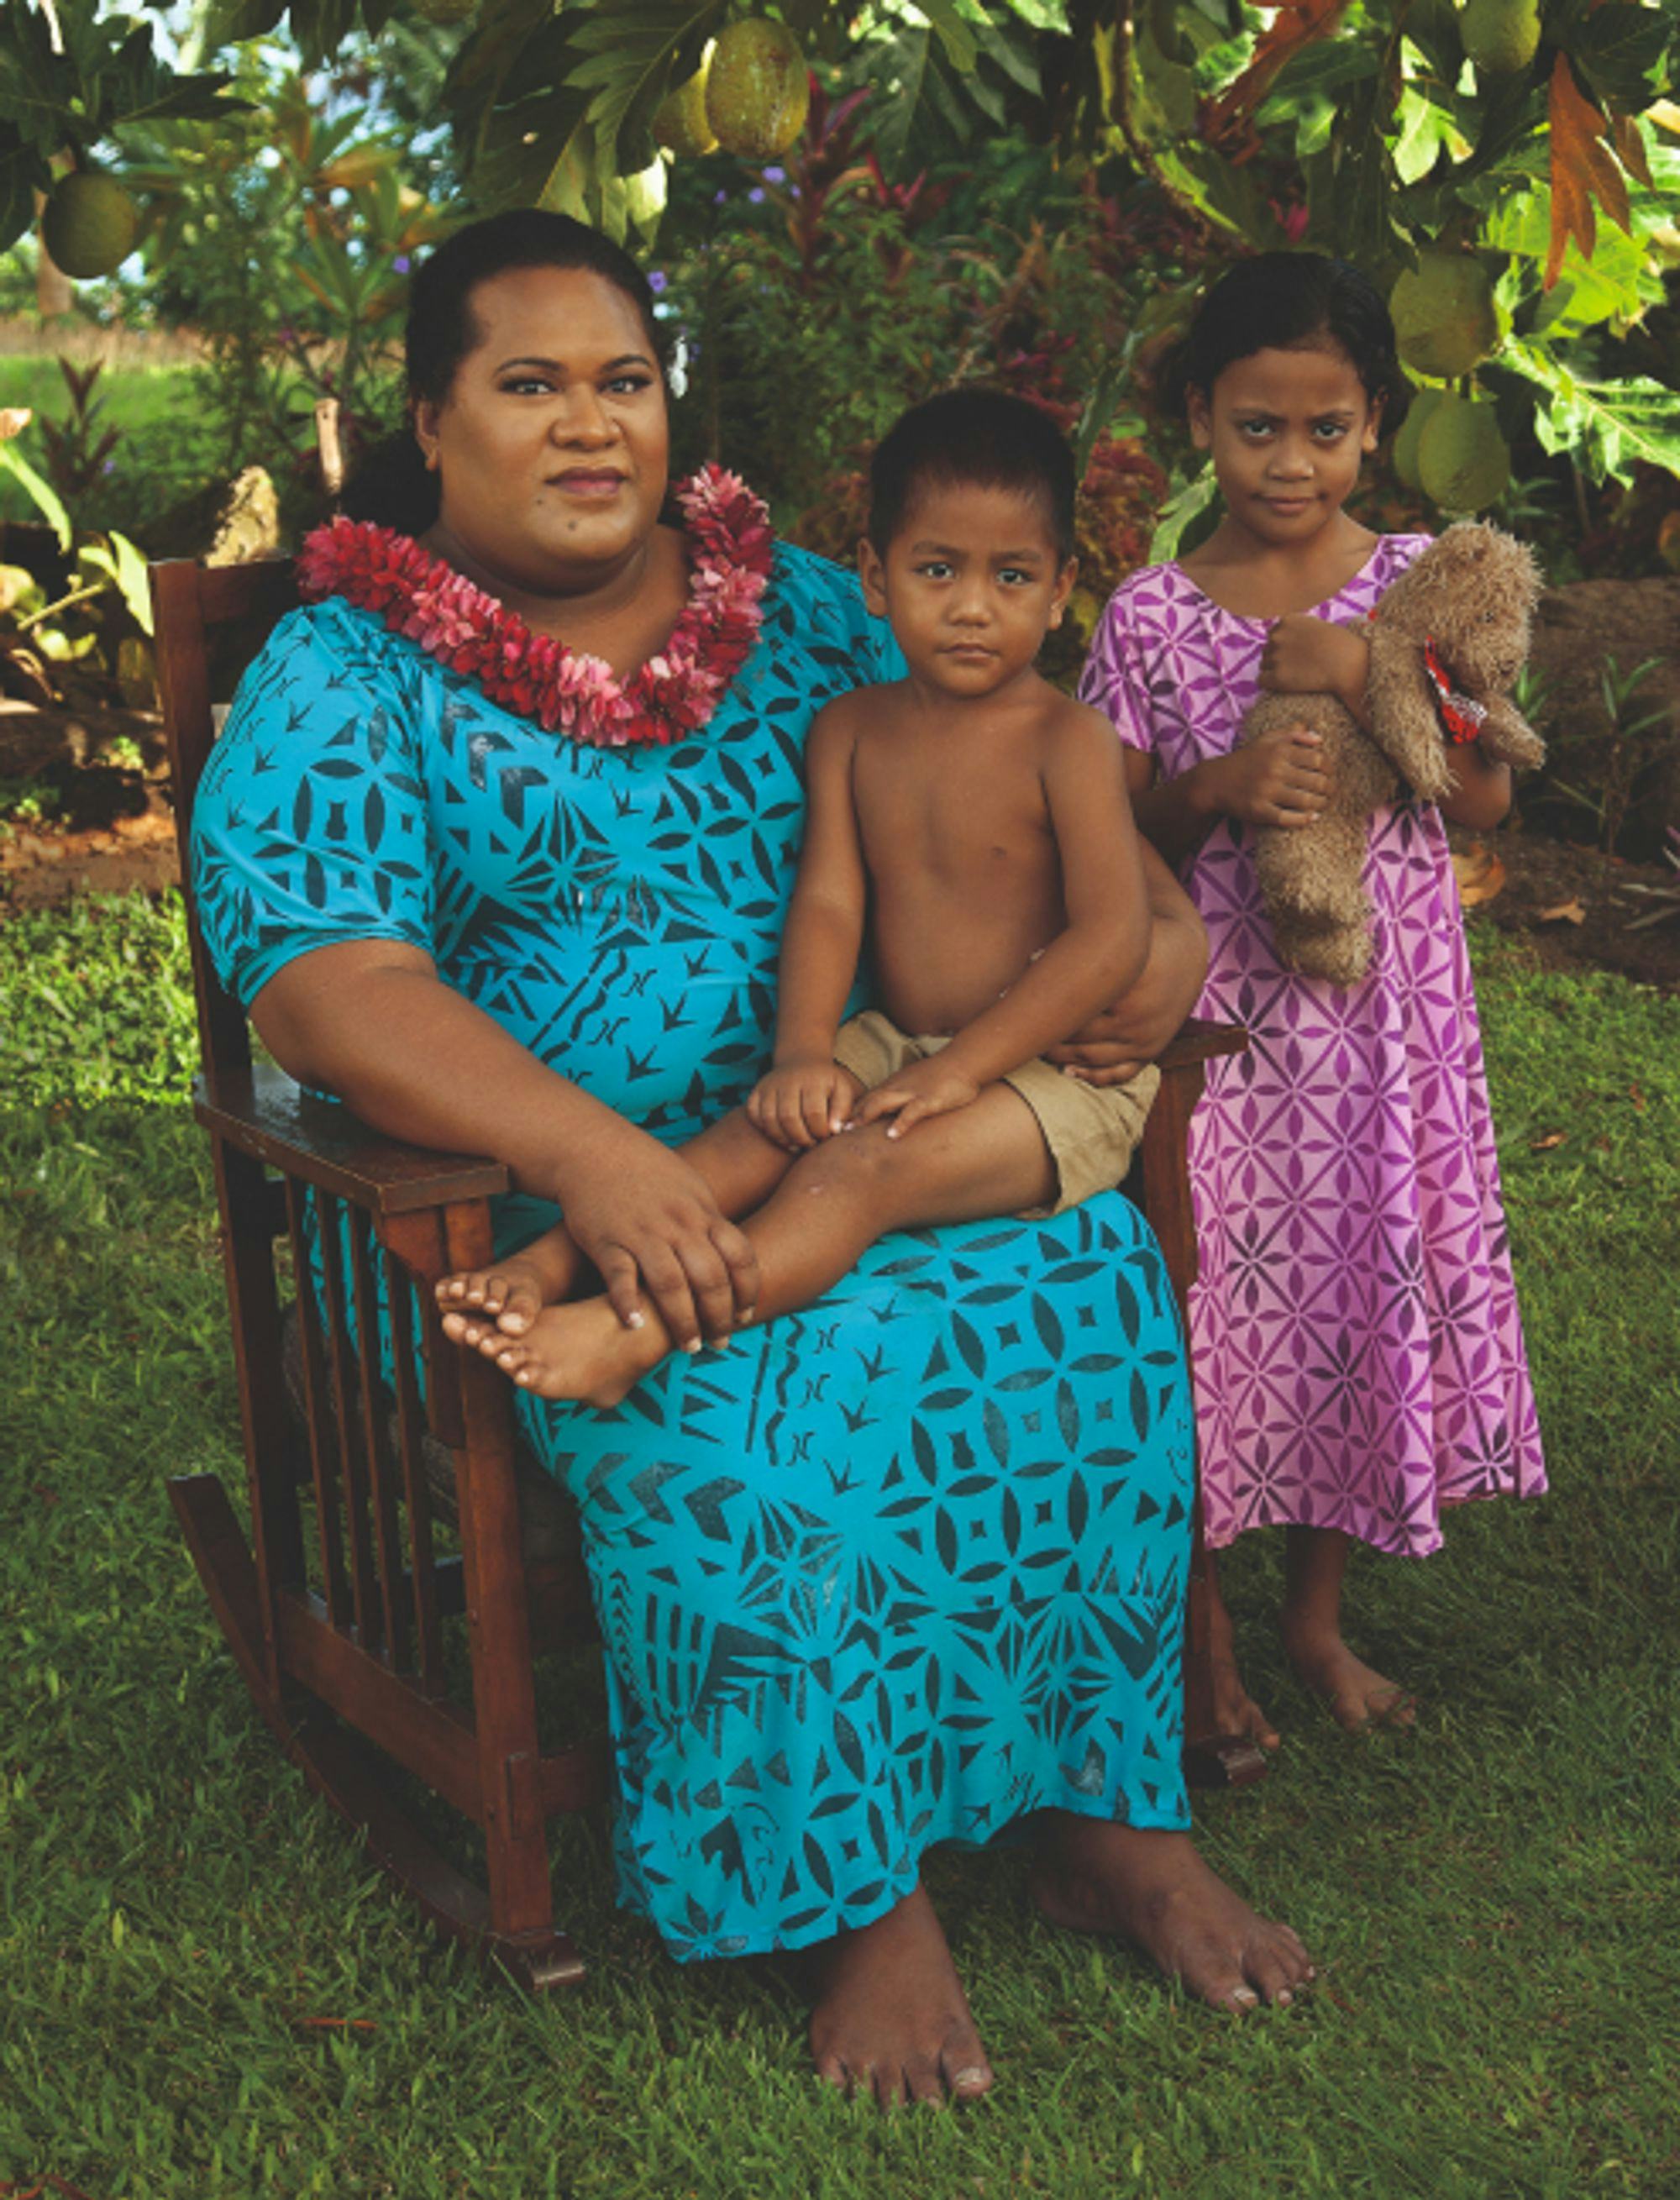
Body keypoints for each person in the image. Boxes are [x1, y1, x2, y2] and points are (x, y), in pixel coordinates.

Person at [191, 211, 1312, 2110]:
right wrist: (591, 1158)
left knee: (1082, 1298)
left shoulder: (798, 606)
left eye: (618, 380)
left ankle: (1099, 1805)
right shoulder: (349, 675)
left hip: (875, 1115)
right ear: (428, 420)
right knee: (746, 1400)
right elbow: (321, 981)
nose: (584, 425)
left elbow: (1025, 794)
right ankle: (850, 1891)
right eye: (526, 385)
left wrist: (1160, 944)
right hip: (536, 1208)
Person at [434, 389, 1163, 1407]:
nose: (970, 607)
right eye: (936, 570)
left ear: (1059, 591)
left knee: (856, 1170)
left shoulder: (1067, 744)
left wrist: (962, 1069)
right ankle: (547, 1266)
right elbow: (827, 905)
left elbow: (1111, 936)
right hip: (892, 1042)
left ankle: (630, 1335)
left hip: (1049, 1080)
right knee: (751, 1137)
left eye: (1011, 577)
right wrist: (803, 1053)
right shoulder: (851, 730)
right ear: (874, 577)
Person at [1079, 252, 1546, 1746]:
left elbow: (1483, 790)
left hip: (1380, 1037)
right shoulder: (1148, 617)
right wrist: (1215, 785)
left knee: (1352, 1292)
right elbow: (1106, 833)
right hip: (1217, 1041)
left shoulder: (1412, 589)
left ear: (1375, 426)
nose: (1292, 462)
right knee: (1213, 1309)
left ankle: (1317, 1618)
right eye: (1256, 427)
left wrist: (1361, 675)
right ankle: (1202, 1625)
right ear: (1198, 417)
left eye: (1327, 429)